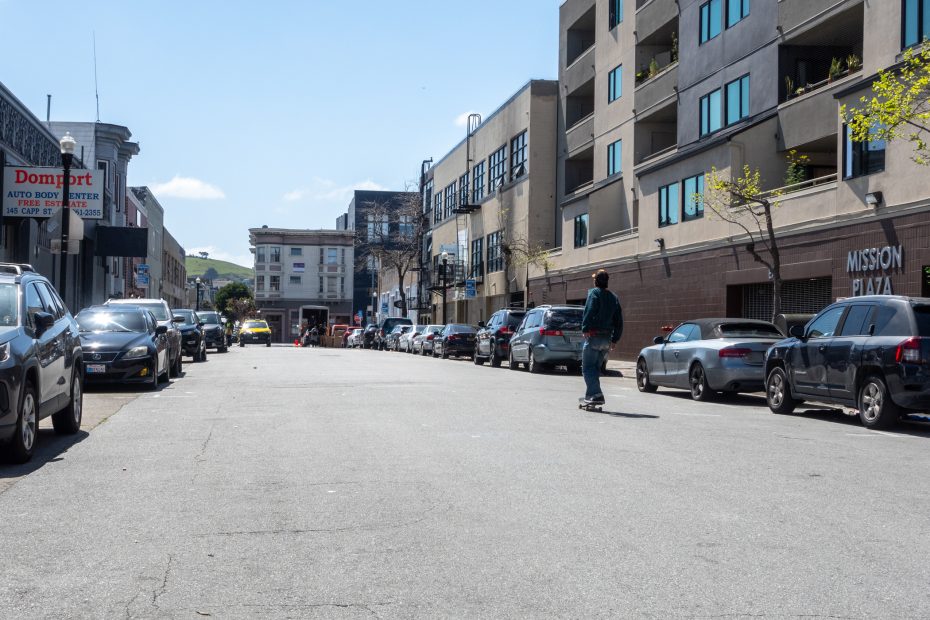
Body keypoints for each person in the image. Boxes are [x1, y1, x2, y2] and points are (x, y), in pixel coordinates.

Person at [580, 269, 623, 406]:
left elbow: (589, 310)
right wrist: (615, 339)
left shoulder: (594, 293)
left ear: (596, 281)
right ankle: (590, 394)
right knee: (595, 368)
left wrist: (585, 328)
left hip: (594, 336)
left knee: (587, 368)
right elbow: (619, 320)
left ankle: (596, 394)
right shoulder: (614, 297)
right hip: (606, 340)